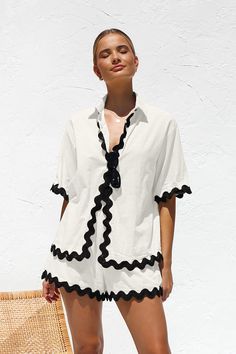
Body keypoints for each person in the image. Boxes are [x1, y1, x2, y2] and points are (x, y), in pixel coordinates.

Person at [41, 28, 192, 354]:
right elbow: (70, 194)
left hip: (135, 252)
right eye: (105, 54)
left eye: (122, 50)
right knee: (88, 346)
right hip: (76, 256)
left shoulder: (162, 124)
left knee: (155, 348)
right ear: (97, 69)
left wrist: (165, 265)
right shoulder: (77, 124)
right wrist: (56, 264)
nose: (115, 57)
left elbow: (167, 196)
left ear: (136, 61)